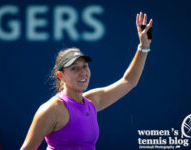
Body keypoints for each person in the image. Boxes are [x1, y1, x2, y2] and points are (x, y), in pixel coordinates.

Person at [20, 12, 153, 150]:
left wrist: (143, 47)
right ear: (61, 76)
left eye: (84, 66)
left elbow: (129, 81)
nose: (82, 72)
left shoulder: (92, 101)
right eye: (74, 68)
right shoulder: (52, 109)